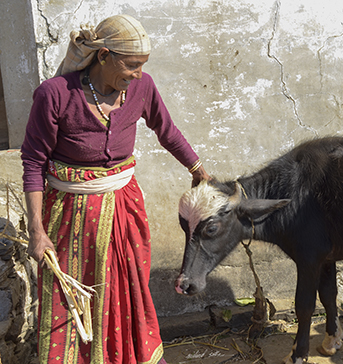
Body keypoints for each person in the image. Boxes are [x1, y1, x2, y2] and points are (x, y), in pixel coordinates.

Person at [21, 14, 210, 364]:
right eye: (131, 65)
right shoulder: (55, 95)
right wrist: (36, 230)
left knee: (128, 289)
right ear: (104, 55)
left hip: (125, 208)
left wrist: (197, 169)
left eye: (142, 66)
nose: (138, 74)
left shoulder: (142, 88)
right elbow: (33, 163)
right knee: (71, 297)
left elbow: (165, 130)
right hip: (70, 217)